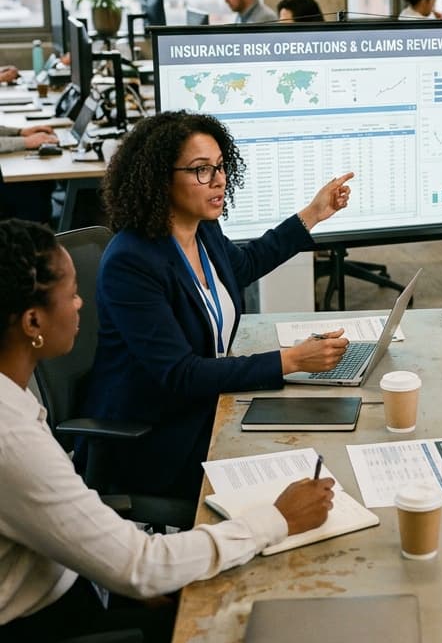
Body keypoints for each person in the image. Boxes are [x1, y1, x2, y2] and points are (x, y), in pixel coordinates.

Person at [0, 219, 335, 643]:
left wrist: (116, 571)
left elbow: (67, 525)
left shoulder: (14, 398)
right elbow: (143, 565)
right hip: (44, 637)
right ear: (32, 322)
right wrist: (277, 519)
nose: (81, 305)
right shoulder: (11, 436)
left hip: (74, 580)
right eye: (72, 295)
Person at [80, 111, 354, 501]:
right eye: (201, 170)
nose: (220, 179)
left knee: (323, 434)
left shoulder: (203, 229)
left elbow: (244, 265)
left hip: (209, 408)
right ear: (160, 178)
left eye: (221, 166)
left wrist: (313, 213)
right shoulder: (132, 261)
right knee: (298, 480)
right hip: (156, 439)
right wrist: (289, 360)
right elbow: (180, 374)